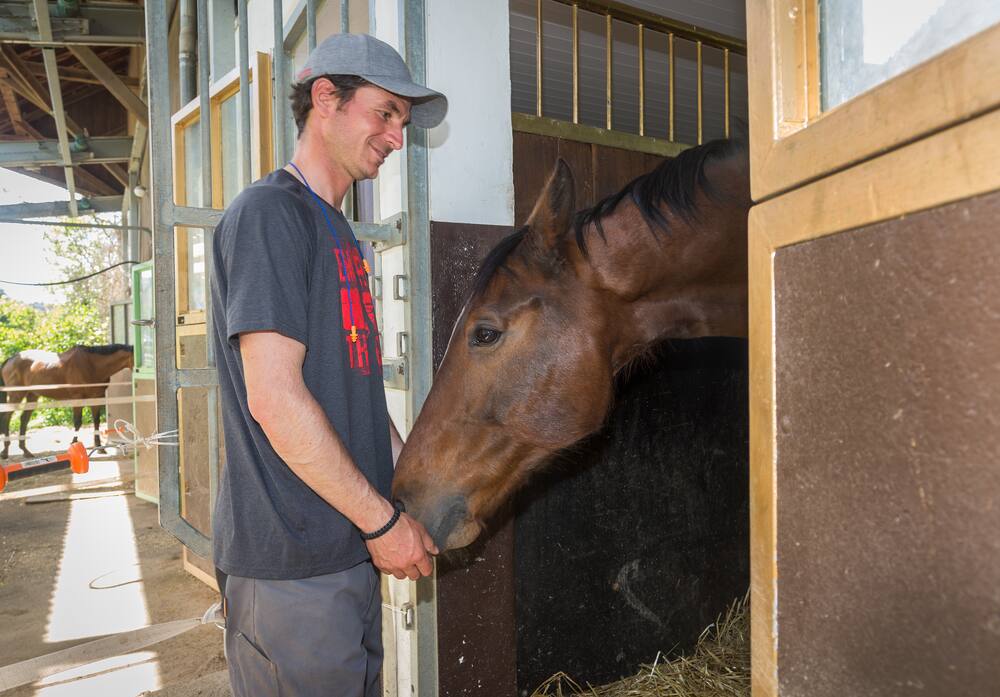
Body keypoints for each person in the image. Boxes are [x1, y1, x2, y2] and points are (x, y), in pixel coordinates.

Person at [209, 33, 447, 697]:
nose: (398, 137)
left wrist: (414, 492)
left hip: (342, 552)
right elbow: (277, 400)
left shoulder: (336, 231)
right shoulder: (270, 215)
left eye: (402, 121)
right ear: (325, 99)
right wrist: (381, 520)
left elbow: (357, 398)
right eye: (386, 113)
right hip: (293, 566)